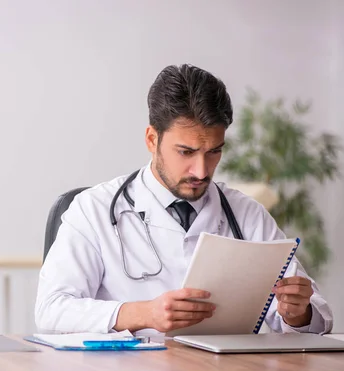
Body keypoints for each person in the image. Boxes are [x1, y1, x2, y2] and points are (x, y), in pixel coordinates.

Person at [34, 64, 333, 336]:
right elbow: (51, 310)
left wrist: (297, 312)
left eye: (214, 151)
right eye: (186, 152)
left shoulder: (246, 214)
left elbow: (316, 318)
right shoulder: (93, 210)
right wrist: (144, 313)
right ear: (152, 140)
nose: (202, 171)